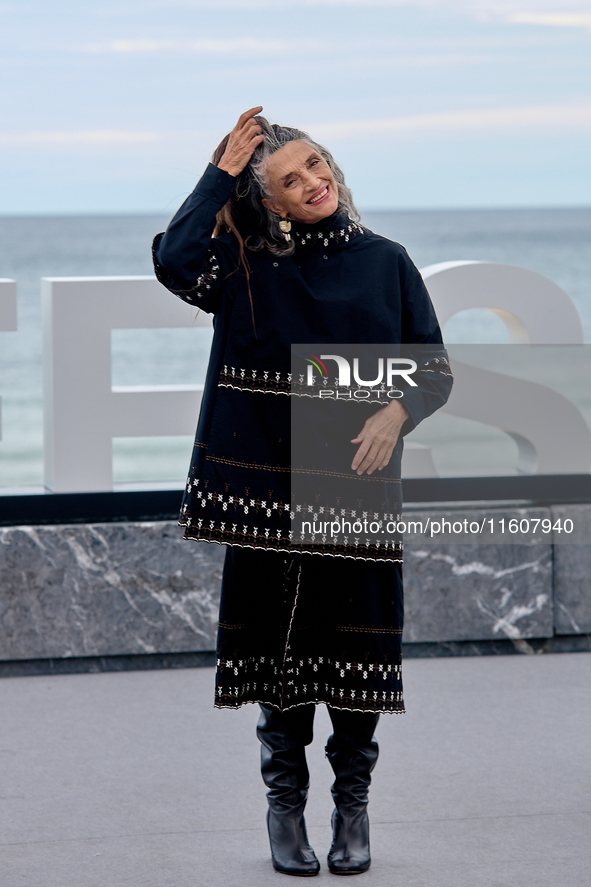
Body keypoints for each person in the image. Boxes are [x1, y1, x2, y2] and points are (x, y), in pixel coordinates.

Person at [153, 106, 453, 877]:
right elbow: (174, 258)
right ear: (272, 201)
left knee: (354, 657)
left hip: (351, 483)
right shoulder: (243, 265)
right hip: (266, 491)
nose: (313, 182)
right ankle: (283, 807)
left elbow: (432, 365)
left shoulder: (386, 260)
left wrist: (395, 408)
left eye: (316, 165)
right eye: (291, 179)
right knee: (280, 661)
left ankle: (350, 806)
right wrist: (220, 172)